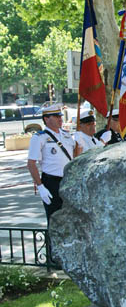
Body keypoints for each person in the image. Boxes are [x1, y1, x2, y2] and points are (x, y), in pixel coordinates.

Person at [26, 102, 75, 263]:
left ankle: (70, 253)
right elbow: (31, 163)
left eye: (61, 116)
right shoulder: (39, 138)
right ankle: (53, 257)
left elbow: (74, 155)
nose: (60, 119)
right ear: (46, 119)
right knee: (54, 218)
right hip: (51, 181)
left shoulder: (66, 134)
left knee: (70, 217)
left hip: (68, 179)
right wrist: (40, 186)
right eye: (56, 116)